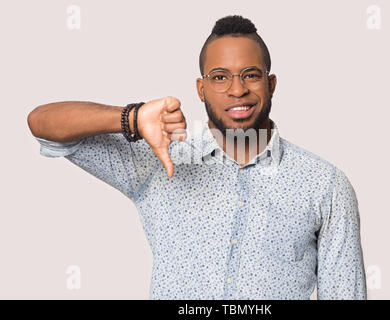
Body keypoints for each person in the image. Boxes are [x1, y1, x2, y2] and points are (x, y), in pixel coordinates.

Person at [27, 15, 366, 300]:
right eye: (220, 77)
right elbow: (43, 124)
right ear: (200, 88)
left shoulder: (325, 184)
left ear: (271, 83)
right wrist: (132, 117)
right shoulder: (160, 158)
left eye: (250, 74)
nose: (237, 90)